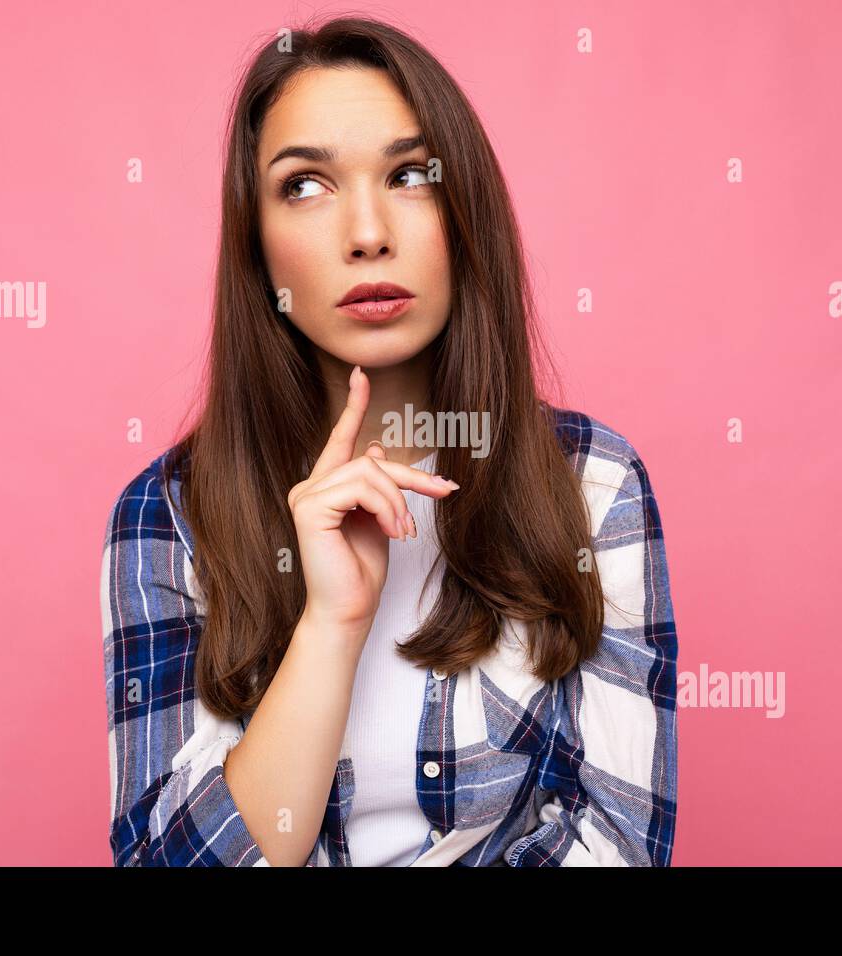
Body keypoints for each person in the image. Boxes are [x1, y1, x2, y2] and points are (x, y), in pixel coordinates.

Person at [100, 15, 678, 867]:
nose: (367, 233)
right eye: (305, 185)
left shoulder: (591, 483)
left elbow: (623, 846)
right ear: (257, 250)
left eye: (410, 175)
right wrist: (332, 622)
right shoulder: (169, 516)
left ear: (464, 212)